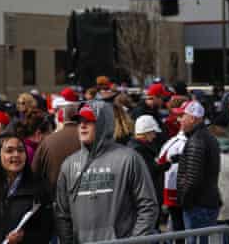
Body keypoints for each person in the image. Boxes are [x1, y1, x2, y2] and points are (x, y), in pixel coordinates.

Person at [55, 101, 158, 243]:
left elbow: (148, 206)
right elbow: (62, 214)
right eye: (79, 121)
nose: (82, 125)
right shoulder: (69, 164)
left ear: (103, 123)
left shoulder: (129, 158)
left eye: (89, 121)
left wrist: (134, 241)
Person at [176, 101, 221, 244]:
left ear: (193, 119)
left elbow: (193, 178)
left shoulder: (197, 140)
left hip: (198, 205)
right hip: (205, 203)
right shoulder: (204, 137)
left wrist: (184, 200)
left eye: (183, 116)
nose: (180, 120)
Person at [128, 114, 171, 227]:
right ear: (146, 133)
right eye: (153, 132)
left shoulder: (137, 147)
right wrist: (166, 164)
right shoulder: (139, 149)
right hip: (146, 197)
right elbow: (148, 171)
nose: (154, 136)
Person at [32, 103, 80, 198]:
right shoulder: (89, 139)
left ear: (64, 118)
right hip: (83, 197)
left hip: (55, 198)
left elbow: (34, 172)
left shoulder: (47, 141)